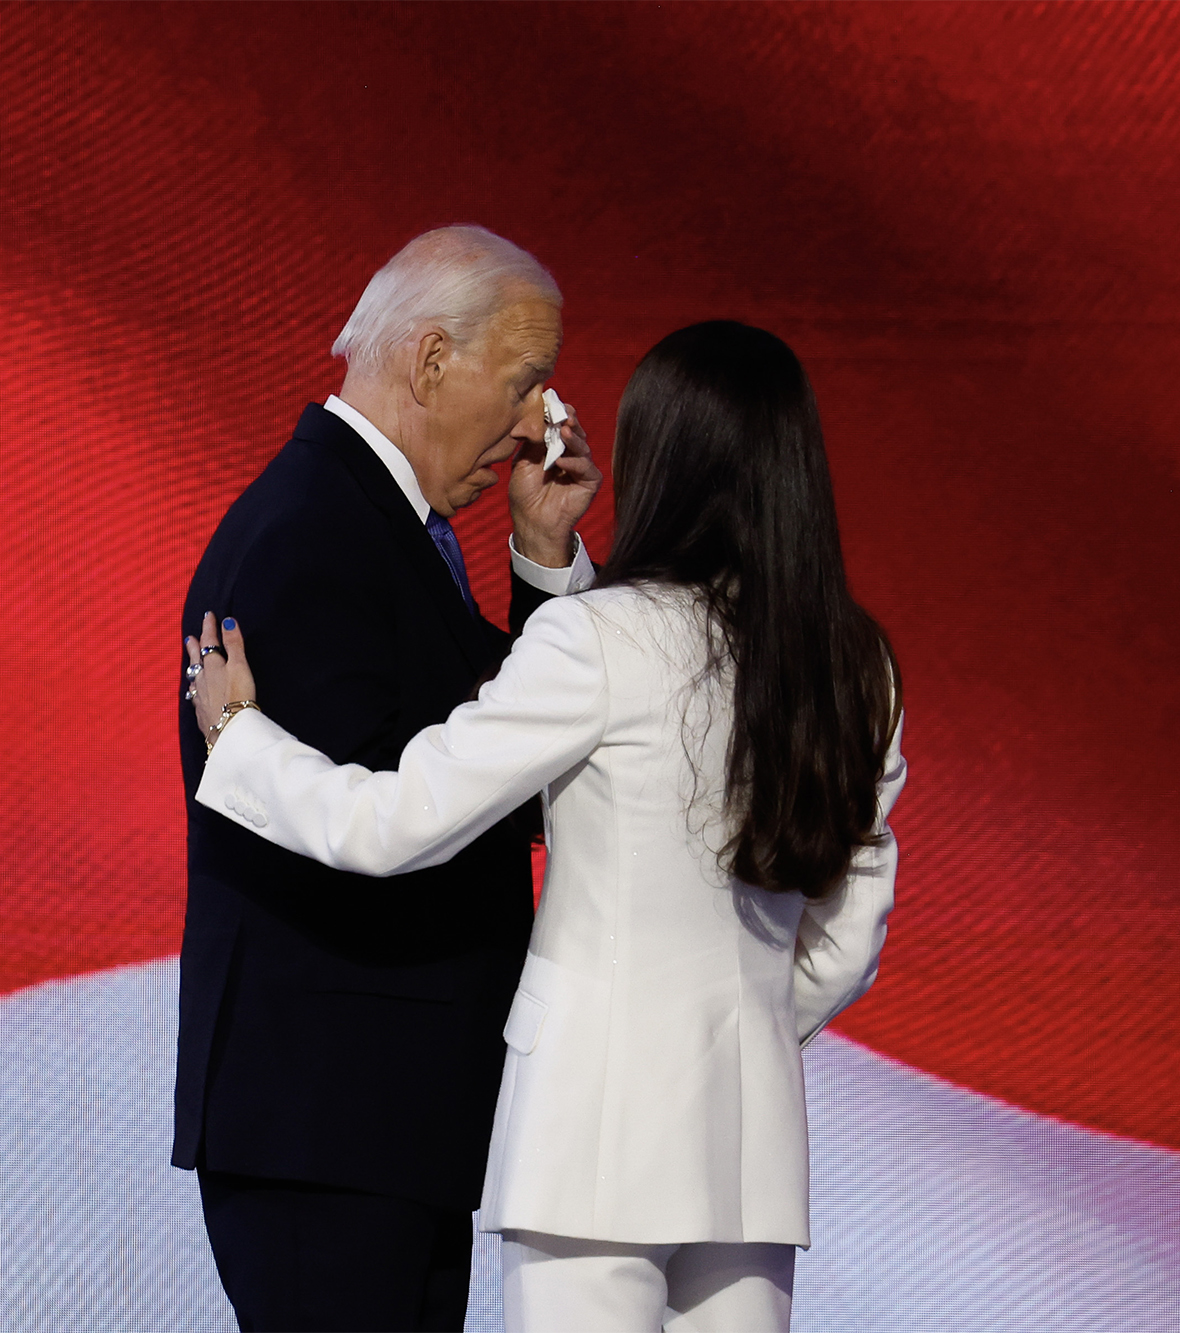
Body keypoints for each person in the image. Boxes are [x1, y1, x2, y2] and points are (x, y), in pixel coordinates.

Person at [185, 321, 905, 1333]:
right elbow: (845, 942)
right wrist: (726, 1034)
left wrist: (239, 739)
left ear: (661, 459)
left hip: (586, 1140)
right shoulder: (854, 666)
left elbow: (398, 821)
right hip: (749, 1147)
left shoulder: (600, 637)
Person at [173, 226, 602, 1332]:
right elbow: (411, 798)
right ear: (426, 362)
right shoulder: (312, 533)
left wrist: (543, 563)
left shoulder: (387, 528)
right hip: (334, 1121)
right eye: (519, 387)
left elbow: (501, 742)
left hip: (386, 1120)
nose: (530, 428)